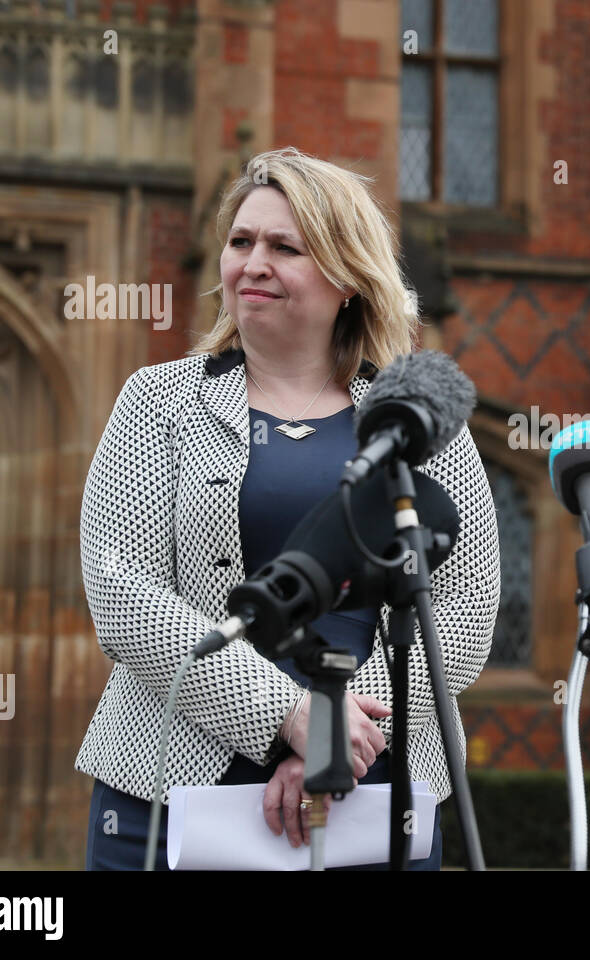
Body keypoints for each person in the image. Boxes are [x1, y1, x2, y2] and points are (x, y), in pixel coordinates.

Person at [76, 146, 500, 870]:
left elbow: (462, 613)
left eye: (284, 246)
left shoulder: (418, 422)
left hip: (373, 789)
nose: (252, 263)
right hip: (170, 791)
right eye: (240, 242)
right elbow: (123, 594)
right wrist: (289, 715)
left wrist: (339, 740)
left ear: (345, 276)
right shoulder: (157, 401)